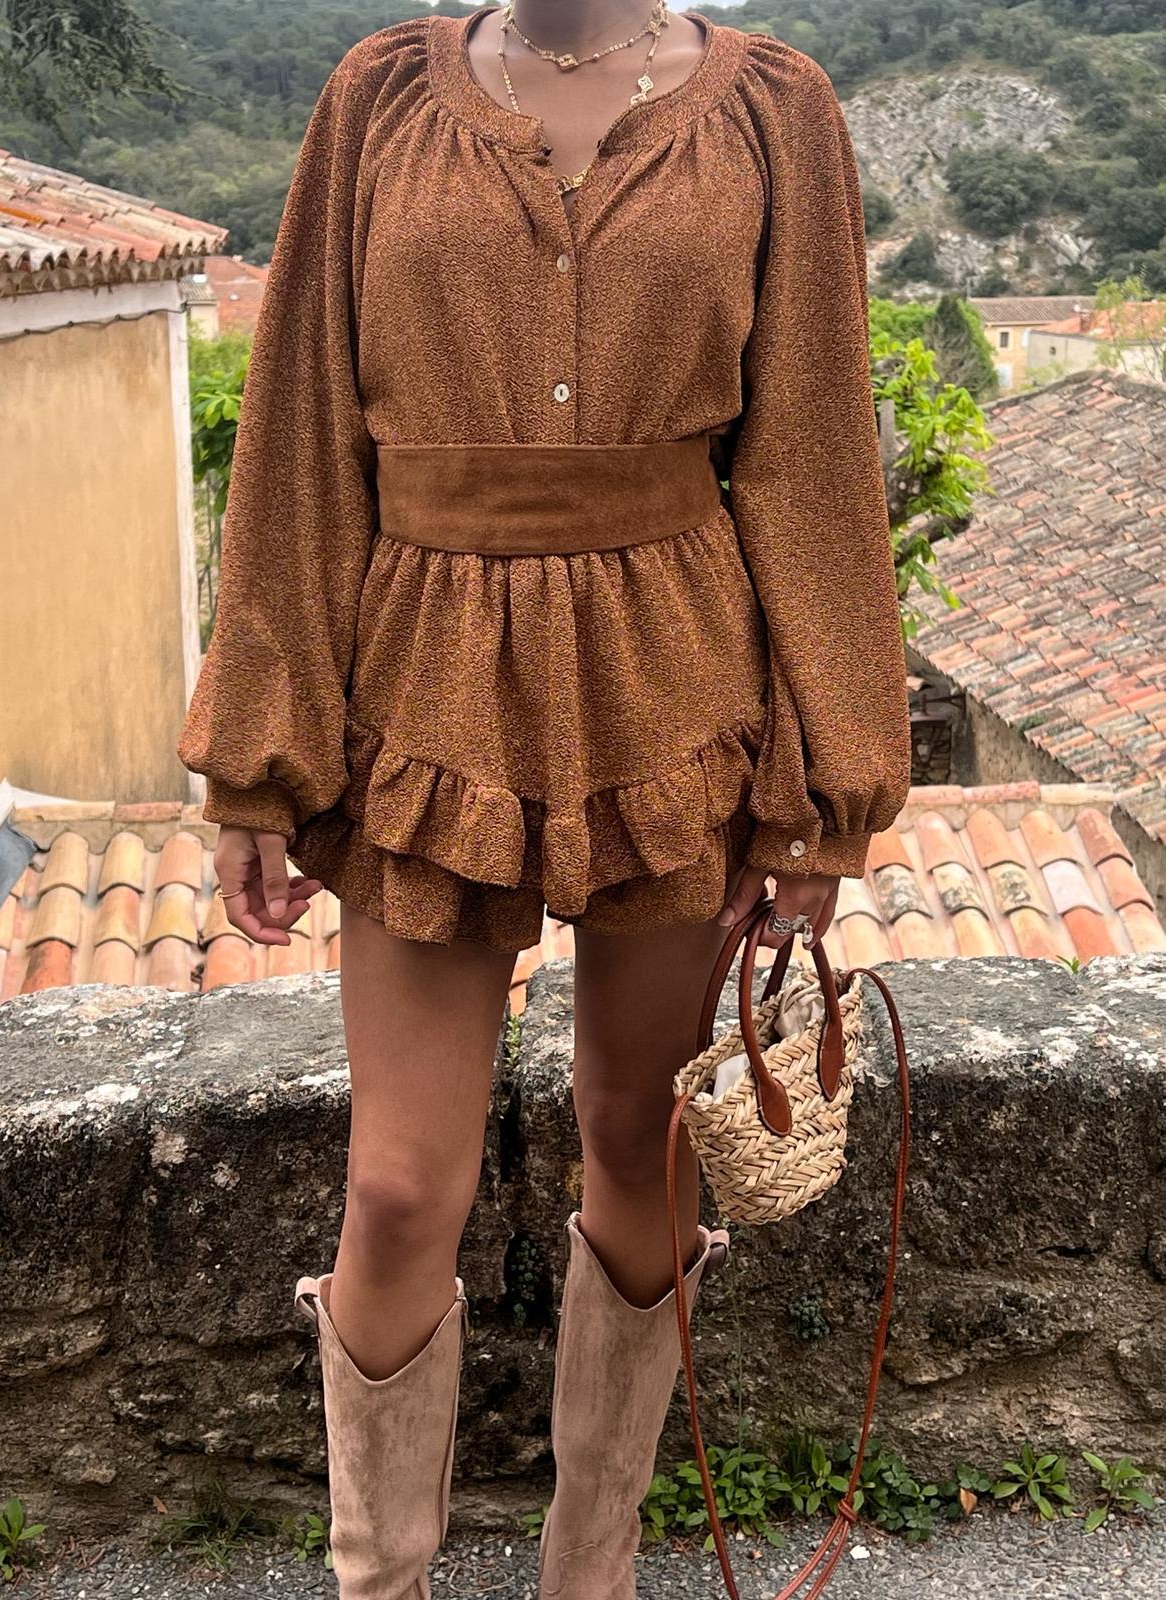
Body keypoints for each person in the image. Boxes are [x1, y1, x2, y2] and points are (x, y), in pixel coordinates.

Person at [176, 1, 911, 1594]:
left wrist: (821, 792)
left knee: (637, 1135)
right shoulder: (380, 94)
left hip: (677, 682)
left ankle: (594, 1563)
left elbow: (806, 457)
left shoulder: (770, 107)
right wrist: (258, 764)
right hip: (422, 681)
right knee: (397, 1185)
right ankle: (381, 1580)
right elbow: (297, 439)